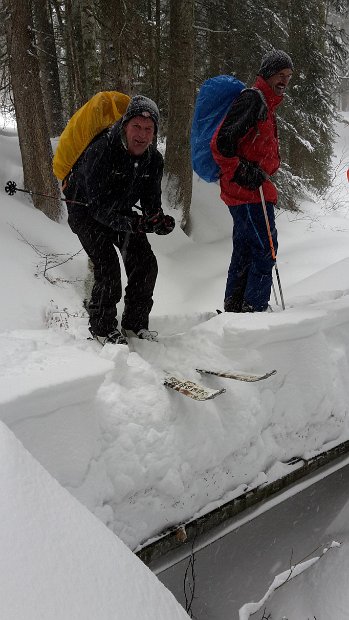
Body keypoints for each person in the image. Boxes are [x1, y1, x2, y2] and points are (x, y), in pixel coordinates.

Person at [64, 95, 175, 344]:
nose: (142, 135)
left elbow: (150, 201)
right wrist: (134, 224)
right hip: (85, 212)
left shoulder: (153, 160)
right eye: (136, 126)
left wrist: (156, 220)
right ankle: (102, 328)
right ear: (125, 125)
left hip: (121, 214)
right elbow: (98, 209)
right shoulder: (101, 151)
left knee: (145, 264)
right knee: (108, 267)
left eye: (149, 129)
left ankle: (135, 324)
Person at [211, 49, 293, 312]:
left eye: (288, 76)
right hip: (248, 191)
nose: (284, 81)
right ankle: (254, 309)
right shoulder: (253, 100)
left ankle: (235, 308)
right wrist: (243, 171)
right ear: (268, 73)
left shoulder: (265, 103)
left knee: (246, 250)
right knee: (265, 250)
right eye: (280, 75)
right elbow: (221, 142)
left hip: (250, 189)